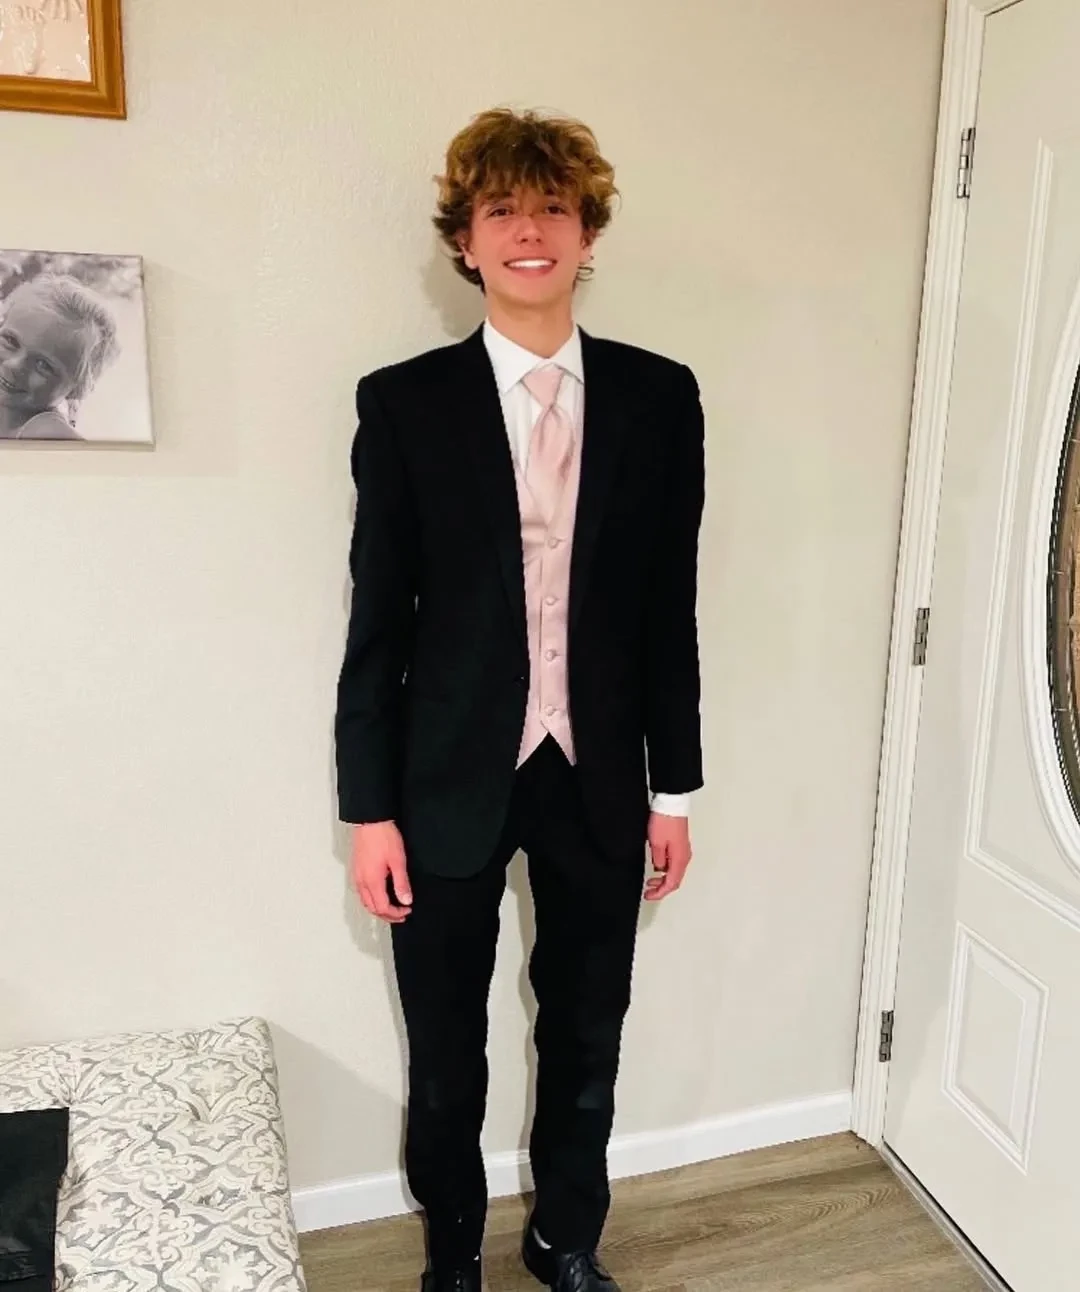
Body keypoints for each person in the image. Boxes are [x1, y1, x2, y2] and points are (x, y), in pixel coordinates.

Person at [335, 107, 706, 1292]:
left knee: (588, 1030)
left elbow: (669, 608)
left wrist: (675, 789)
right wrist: (368, 809)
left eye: (554, 208)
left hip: (598, 773)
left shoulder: (659, 396)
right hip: (443, 776)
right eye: (503, 210)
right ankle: (453, 1248)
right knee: (446, 1045)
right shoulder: (405, 403)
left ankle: (564, 1237)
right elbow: (377, 622)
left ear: (588, 233)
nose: (529, 231)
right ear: (467, 240)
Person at [0, 273, 119, 441]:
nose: (14, 365)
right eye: (11, 341)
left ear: (77, 389)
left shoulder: (46, 431)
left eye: (43, 365)